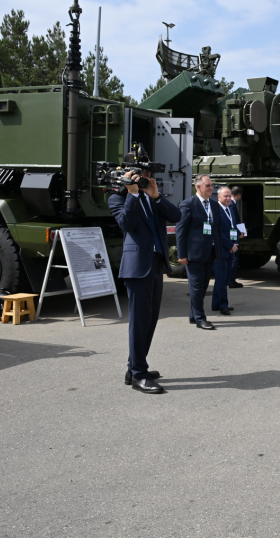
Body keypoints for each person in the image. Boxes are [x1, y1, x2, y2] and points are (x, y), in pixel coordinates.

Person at [108, 150, 181, 394]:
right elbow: (126, 224)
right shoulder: (117, 198)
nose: (145, 177)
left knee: (149, 321)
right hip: (137, 267)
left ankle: (135, 367)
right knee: (139, 322)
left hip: (156, 264)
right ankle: (139, 375)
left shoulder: (152, 196)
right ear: (129, 173)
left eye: (148, 173)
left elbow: (176, 216)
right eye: (141, 173)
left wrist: (156, 196)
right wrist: (132, 193)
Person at [177, 174, 224, 330]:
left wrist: (217, 250)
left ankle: (193, 314)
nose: (211, 188)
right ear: (198, 186)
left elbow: (216, 229)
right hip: (194, 253)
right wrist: (181, 254)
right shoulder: (188, 204)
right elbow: (181, 231)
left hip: (209, 251)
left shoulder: (215, 205)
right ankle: (200, 318)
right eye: (208, 186)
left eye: (212, 185)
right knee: (196, 286)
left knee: (203, 286)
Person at [210, 186, 240, 316]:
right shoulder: (215, 210)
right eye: (225, 196)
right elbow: (217, 232)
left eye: (229, 196)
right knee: (222, 279)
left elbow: (233, 227)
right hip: (220, 250)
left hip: (230, 248)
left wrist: (236, 241)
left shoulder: (231, 209)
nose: (228, 199)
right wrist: (229, 245)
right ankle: (223, 305)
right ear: (219, 197)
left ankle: (216, 304)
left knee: (224, 278)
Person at [227, 186, 245, 288]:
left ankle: (230, 279)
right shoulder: (231, 205)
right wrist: (239, 232)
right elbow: (233, 222)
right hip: (233, 235)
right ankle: (231, 280)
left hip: (234, 233)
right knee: (234, 258)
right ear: (238, 195)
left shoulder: (231, 205)